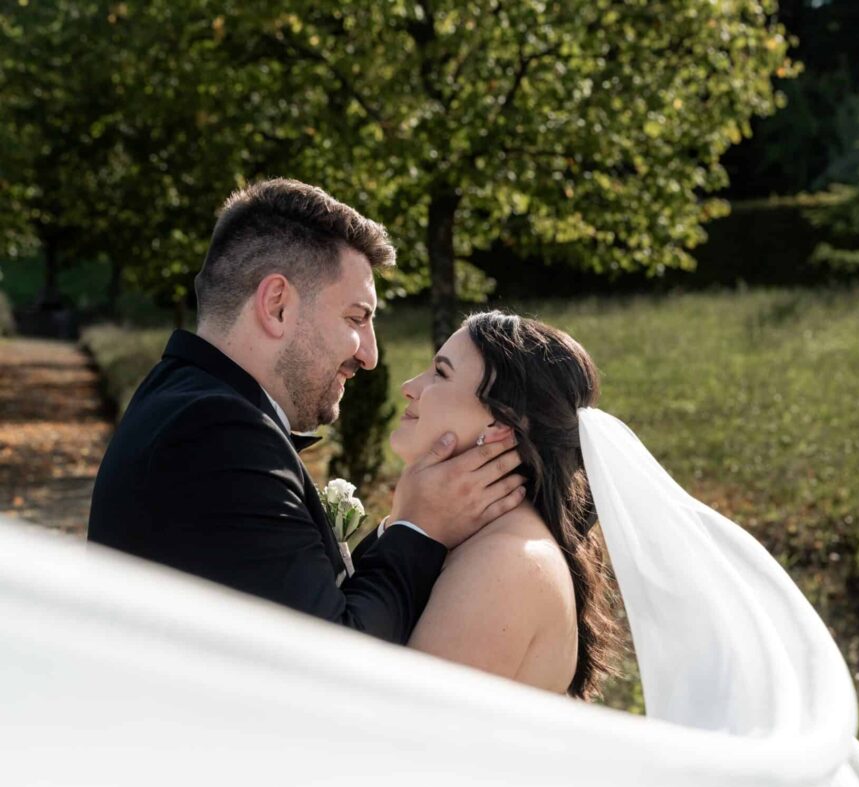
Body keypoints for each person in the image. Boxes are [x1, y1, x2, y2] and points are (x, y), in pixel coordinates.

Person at [87, 180, 525, 643]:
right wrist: (420, 528)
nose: (371, 356)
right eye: (356, 318)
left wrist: (404, 521)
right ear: (277, 305)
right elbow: (335, 657)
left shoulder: (181, 397)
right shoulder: (218, 434)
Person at [391, 310, 619, 695]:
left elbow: (401, 727)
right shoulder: (466, 532)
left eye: (440, 374)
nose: (410, 386)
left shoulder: (509, 561)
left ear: (500, 425)